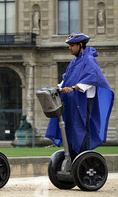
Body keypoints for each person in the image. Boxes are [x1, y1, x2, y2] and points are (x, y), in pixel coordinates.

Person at [45, 32, 114, 160]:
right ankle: (73, 157)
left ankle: (84, 159)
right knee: (71, 128)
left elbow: (92, 79)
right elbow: (67, 79)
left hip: (84, 101)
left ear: (80, 45)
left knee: (81, 128)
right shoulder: (75, 61)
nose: (69, 48)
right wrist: (59, 87)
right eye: (69, 45)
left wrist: (72, 88)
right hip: (73, 101)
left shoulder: (89, 59)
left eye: (72, 45)